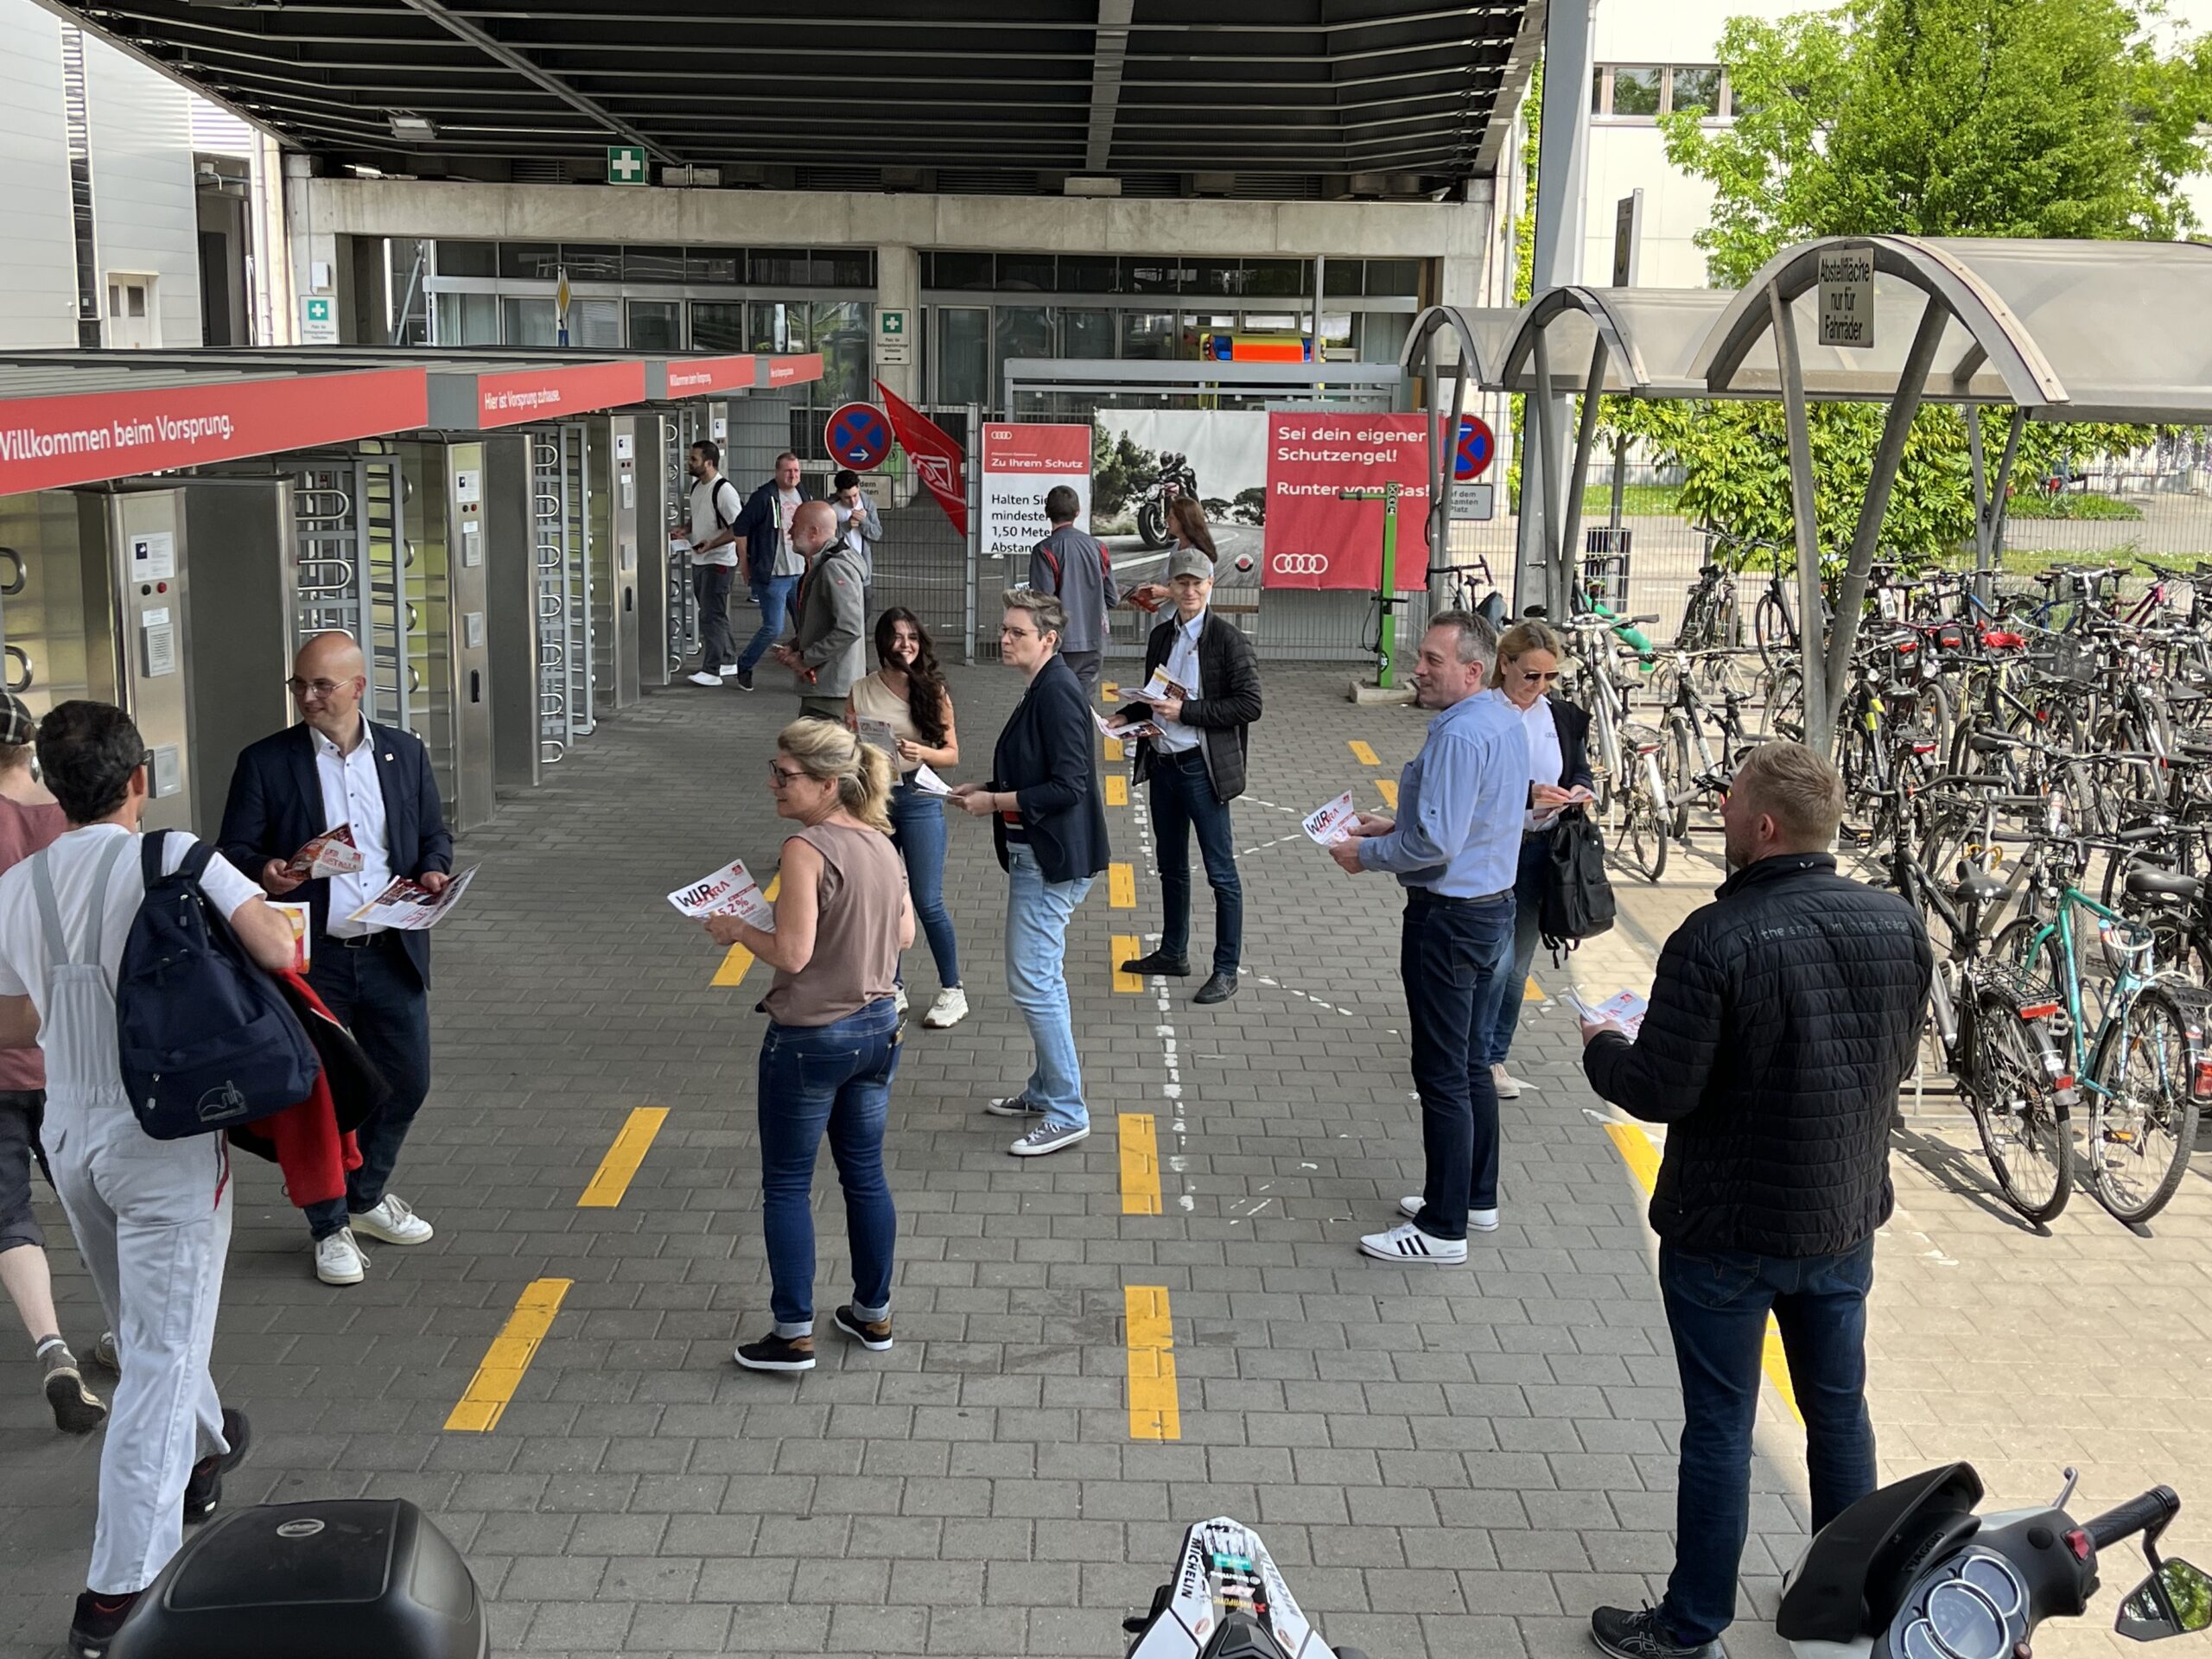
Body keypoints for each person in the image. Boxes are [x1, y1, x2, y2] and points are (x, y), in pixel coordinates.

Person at [1578, 742, 1931, 1659]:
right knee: (1838, 1413)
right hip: (1840, 1217)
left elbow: (1661, 1089)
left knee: (1722, 1429)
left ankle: (1690, 1623)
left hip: (1724, 1229)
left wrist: (1602, 1042)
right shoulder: (1898, 923)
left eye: (1729, 804)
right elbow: (1891, 1065)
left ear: (1763, 826)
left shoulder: (1716, 936)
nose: (1721, 815)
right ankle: (1847, 1607)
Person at [0, 701, 297, 1657]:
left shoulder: (18, 887)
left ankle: (210, 1450)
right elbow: (276, 949)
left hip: (72, 1137)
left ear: (50, 785)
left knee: (144, 1325)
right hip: (167, 1140)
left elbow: (12, 1023)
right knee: (158, 1362)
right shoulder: (178, 858)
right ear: (139, 780)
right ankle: (116, 1595)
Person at [219, 630, 454, 1287]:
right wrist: (265, 869)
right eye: (300, 684)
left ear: (359, 687)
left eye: (322, 685)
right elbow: (231, 850)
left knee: (407, 1080)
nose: (308, 697)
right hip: (308, 956)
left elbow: (433, 833)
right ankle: (328, 1227)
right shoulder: (267, 761)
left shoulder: (403, 753)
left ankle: (364, 1193)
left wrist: (434, 872)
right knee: (318, 1101)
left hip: (390, 946)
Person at [708, 721, 913, 1375]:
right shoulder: (881, 840)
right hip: (879, 1032)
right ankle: (873, 1312)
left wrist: (738, 927)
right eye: (774, 769)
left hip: (810, 1040)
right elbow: (904, 934)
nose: (774, 784)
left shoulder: (806, 847)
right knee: (864, 1175)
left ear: (828, 784)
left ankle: (793, 1333)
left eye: (785, 775)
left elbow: (794, 955)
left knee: (789, 1185)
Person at [1328, 612, 1525, 1263]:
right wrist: (1393, 824)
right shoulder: (1501, 719)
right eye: (1421, 657)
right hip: (1490, 908)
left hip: (1448, 920)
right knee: (1470, 1062)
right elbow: (1469, 820)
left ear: (1473, 670)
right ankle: (1474, 1196)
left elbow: (1436, 846)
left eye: (1433, 660)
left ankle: (1443, 1230)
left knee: (1441, 1071)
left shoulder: (1461, 736)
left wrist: (1370, 853)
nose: (1418, 669)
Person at [950, 590, 1107, 1156]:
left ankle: (1068, 1110)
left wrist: (994, 804)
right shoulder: (1044, 687)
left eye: (1018, 631)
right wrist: (986, 790)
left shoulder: (1058, 693)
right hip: (1037, 853)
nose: (1006, 638)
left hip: (1050, 859)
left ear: (1049, 640)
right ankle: (1045, 1089)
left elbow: (1070, 786)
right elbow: (1037, 771)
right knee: (1042, 977)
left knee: (1032, 981)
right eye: (1005, 628)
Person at [0, 691, 106, 1433]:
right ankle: (130, 1334)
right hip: (73, 1057)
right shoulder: (67, 817)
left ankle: (52, 1349)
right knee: (94, 1201)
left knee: (9, 1212)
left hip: (2, 1054)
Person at [1115, 548, 1262, 1006]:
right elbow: (1155, 696)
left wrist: (1188, 711)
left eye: (1197, 583)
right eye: (1181, 583)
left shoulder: (1227, 640)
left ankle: (1225, 969)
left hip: (1203, 770)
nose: (1190, 590)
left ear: (1211, 585)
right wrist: (1125, 716)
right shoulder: (1162, 635)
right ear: (1171, 587)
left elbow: (1249, 705)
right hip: (1163, 764)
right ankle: (1174, 952)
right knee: (1171, 866)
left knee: (1221, 873)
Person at [1483, 620, 1593, 1099]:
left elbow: (1579, 765)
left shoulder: (1563, 717)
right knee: (1491, 957)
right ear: (1504, 664)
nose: (1540, 687)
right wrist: (1526, 797)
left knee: (1516, 964)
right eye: (1531, 675)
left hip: (1540, 851)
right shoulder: (1480, 714)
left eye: (1550, 677)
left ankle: (1491, 1057)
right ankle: (1467, 1049)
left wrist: (1582, 789)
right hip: (1490, 850)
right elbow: (1472, 784)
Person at [848, 609, 967, 1030]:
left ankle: (953, 990)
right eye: (897, 637)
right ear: (882, 643)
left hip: (918, 799)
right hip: (875, 803)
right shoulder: (860, 690)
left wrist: (924, 754)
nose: (906, 644)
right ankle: (892, 985)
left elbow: (952, 755)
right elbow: (849, 748)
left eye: (912, 636)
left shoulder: (932, 691)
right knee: (883, 898)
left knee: (927, 900)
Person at [772, 500, 868, 722]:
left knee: (818, 753)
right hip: (827, 687)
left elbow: (849, 628)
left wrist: (806, 658)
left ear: (814, 532)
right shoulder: (828, 563)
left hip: (830, 690)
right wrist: (795, 646)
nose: (789, 532)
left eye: (795, 525)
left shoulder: (834, 567)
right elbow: (828, 623)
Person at [728, 451, 813, 692]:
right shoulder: (764, 497)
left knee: (806, 625)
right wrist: (744, 562)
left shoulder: (803, 494)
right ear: (777, 472)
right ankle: (744, 665)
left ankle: (807, 670)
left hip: (800, 574)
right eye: (788, 471)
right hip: (774, 575)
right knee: (773, 627)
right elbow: (740, 528)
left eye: (796, 470)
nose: (793, 475)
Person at [1027, 485, 1117, 701]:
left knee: (1056, 704)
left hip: (1059, 643)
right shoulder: (1099, 547)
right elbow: (1112, 597)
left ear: (1046, 513)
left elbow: (1043, 603)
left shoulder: (1045, 550)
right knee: (1083, 706)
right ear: (1078, 512)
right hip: (1094, 640)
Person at [672, 439, 746, 688]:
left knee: (710, 615)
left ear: (709, 462)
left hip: (719, 561)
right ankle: (727, 659)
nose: (688, 463)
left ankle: (712, 670)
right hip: (701, 558)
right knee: (714, 613)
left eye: (693, 459)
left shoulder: (724, 491)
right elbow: (700, 515)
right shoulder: (697, 487)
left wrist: (712, 545)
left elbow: (738, 526)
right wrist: (685, 529)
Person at [1128, 496, 1217, 612]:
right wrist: (1150, 594)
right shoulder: (1176, 547)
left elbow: (1196, 590)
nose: (1167, 520)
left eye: (1171, 517)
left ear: (1183, 521)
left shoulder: (1197, 554)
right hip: (1169, 621)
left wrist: (1164, 592)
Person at [831, 468, 882, 613]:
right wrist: (846, 526)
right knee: (843, 611)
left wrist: (863, 522)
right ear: (839, 493)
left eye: (855, 495)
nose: (853, 501)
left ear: (859, 488)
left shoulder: (867, 504)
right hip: (840, 567)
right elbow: (827, 539)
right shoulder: (831, 508)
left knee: (865, 609)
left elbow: (877, 533)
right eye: (847, 497)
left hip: (863, 566)